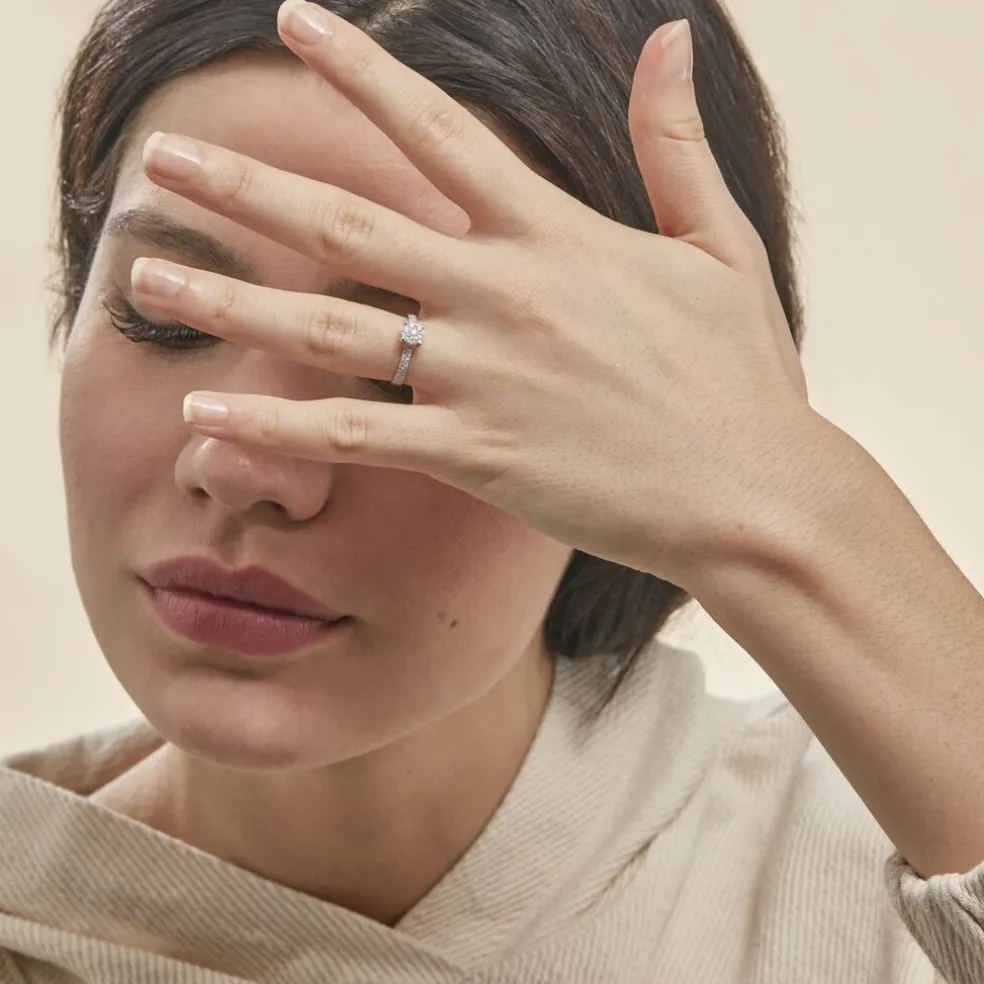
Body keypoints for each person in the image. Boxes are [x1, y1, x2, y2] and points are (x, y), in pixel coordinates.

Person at [1, 0, 982, 980]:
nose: (242, 463)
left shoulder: (869, 870)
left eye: (402, 360)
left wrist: (790, 497)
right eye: (163, 313)